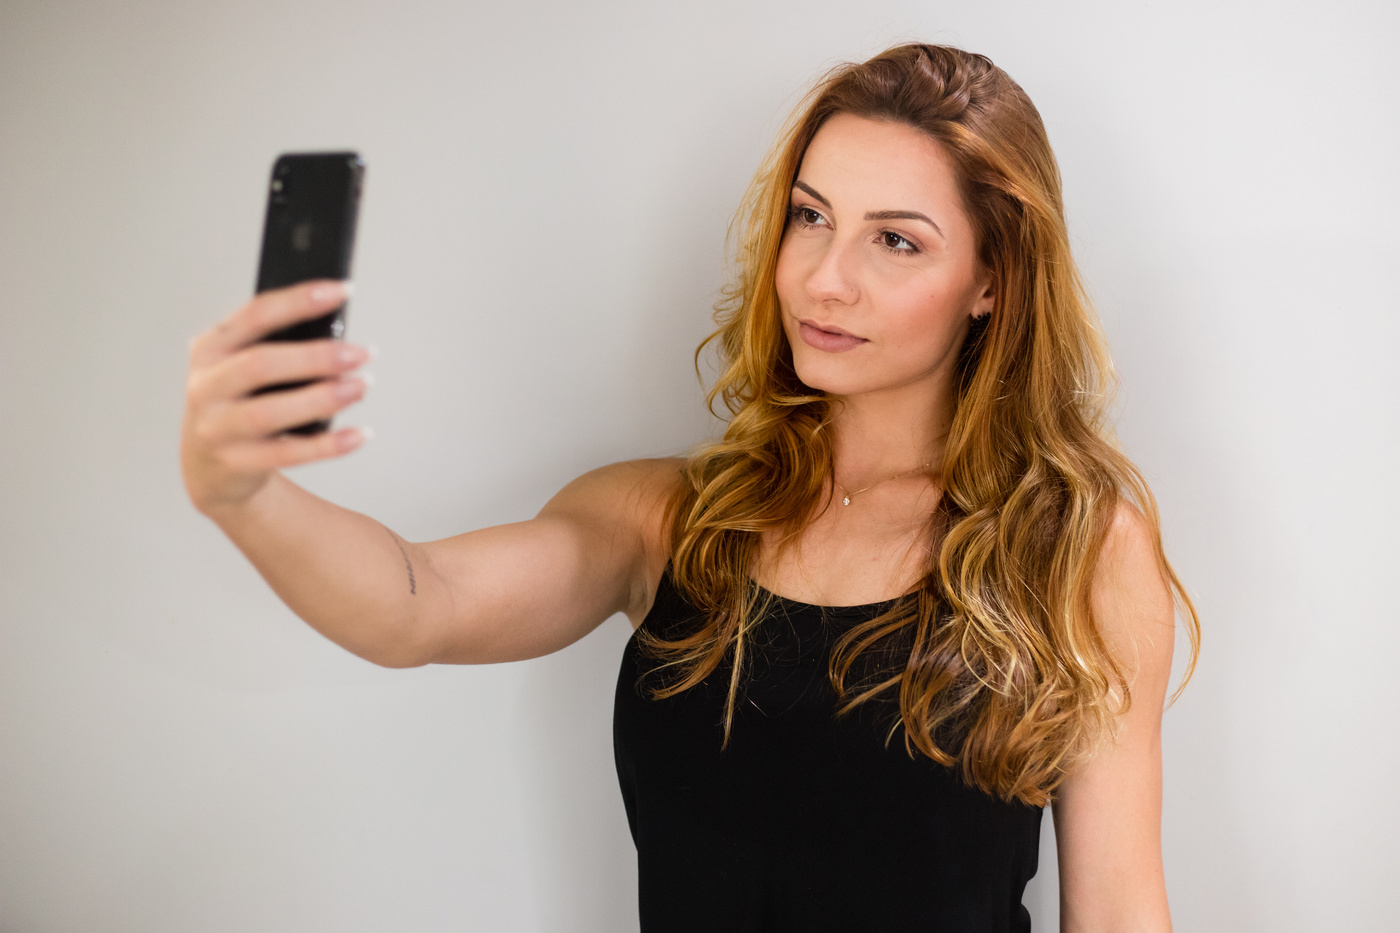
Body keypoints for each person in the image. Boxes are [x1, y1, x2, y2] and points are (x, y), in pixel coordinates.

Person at [181, 42, 1200, 933]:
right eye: (811, 216)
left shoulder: (1073, 545)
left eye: (895, 239)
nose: (823, 277)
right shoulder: (670, 520)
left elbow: (1117, 912)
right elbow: (419, 603)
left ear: (991, 281)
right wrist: (242, 493)